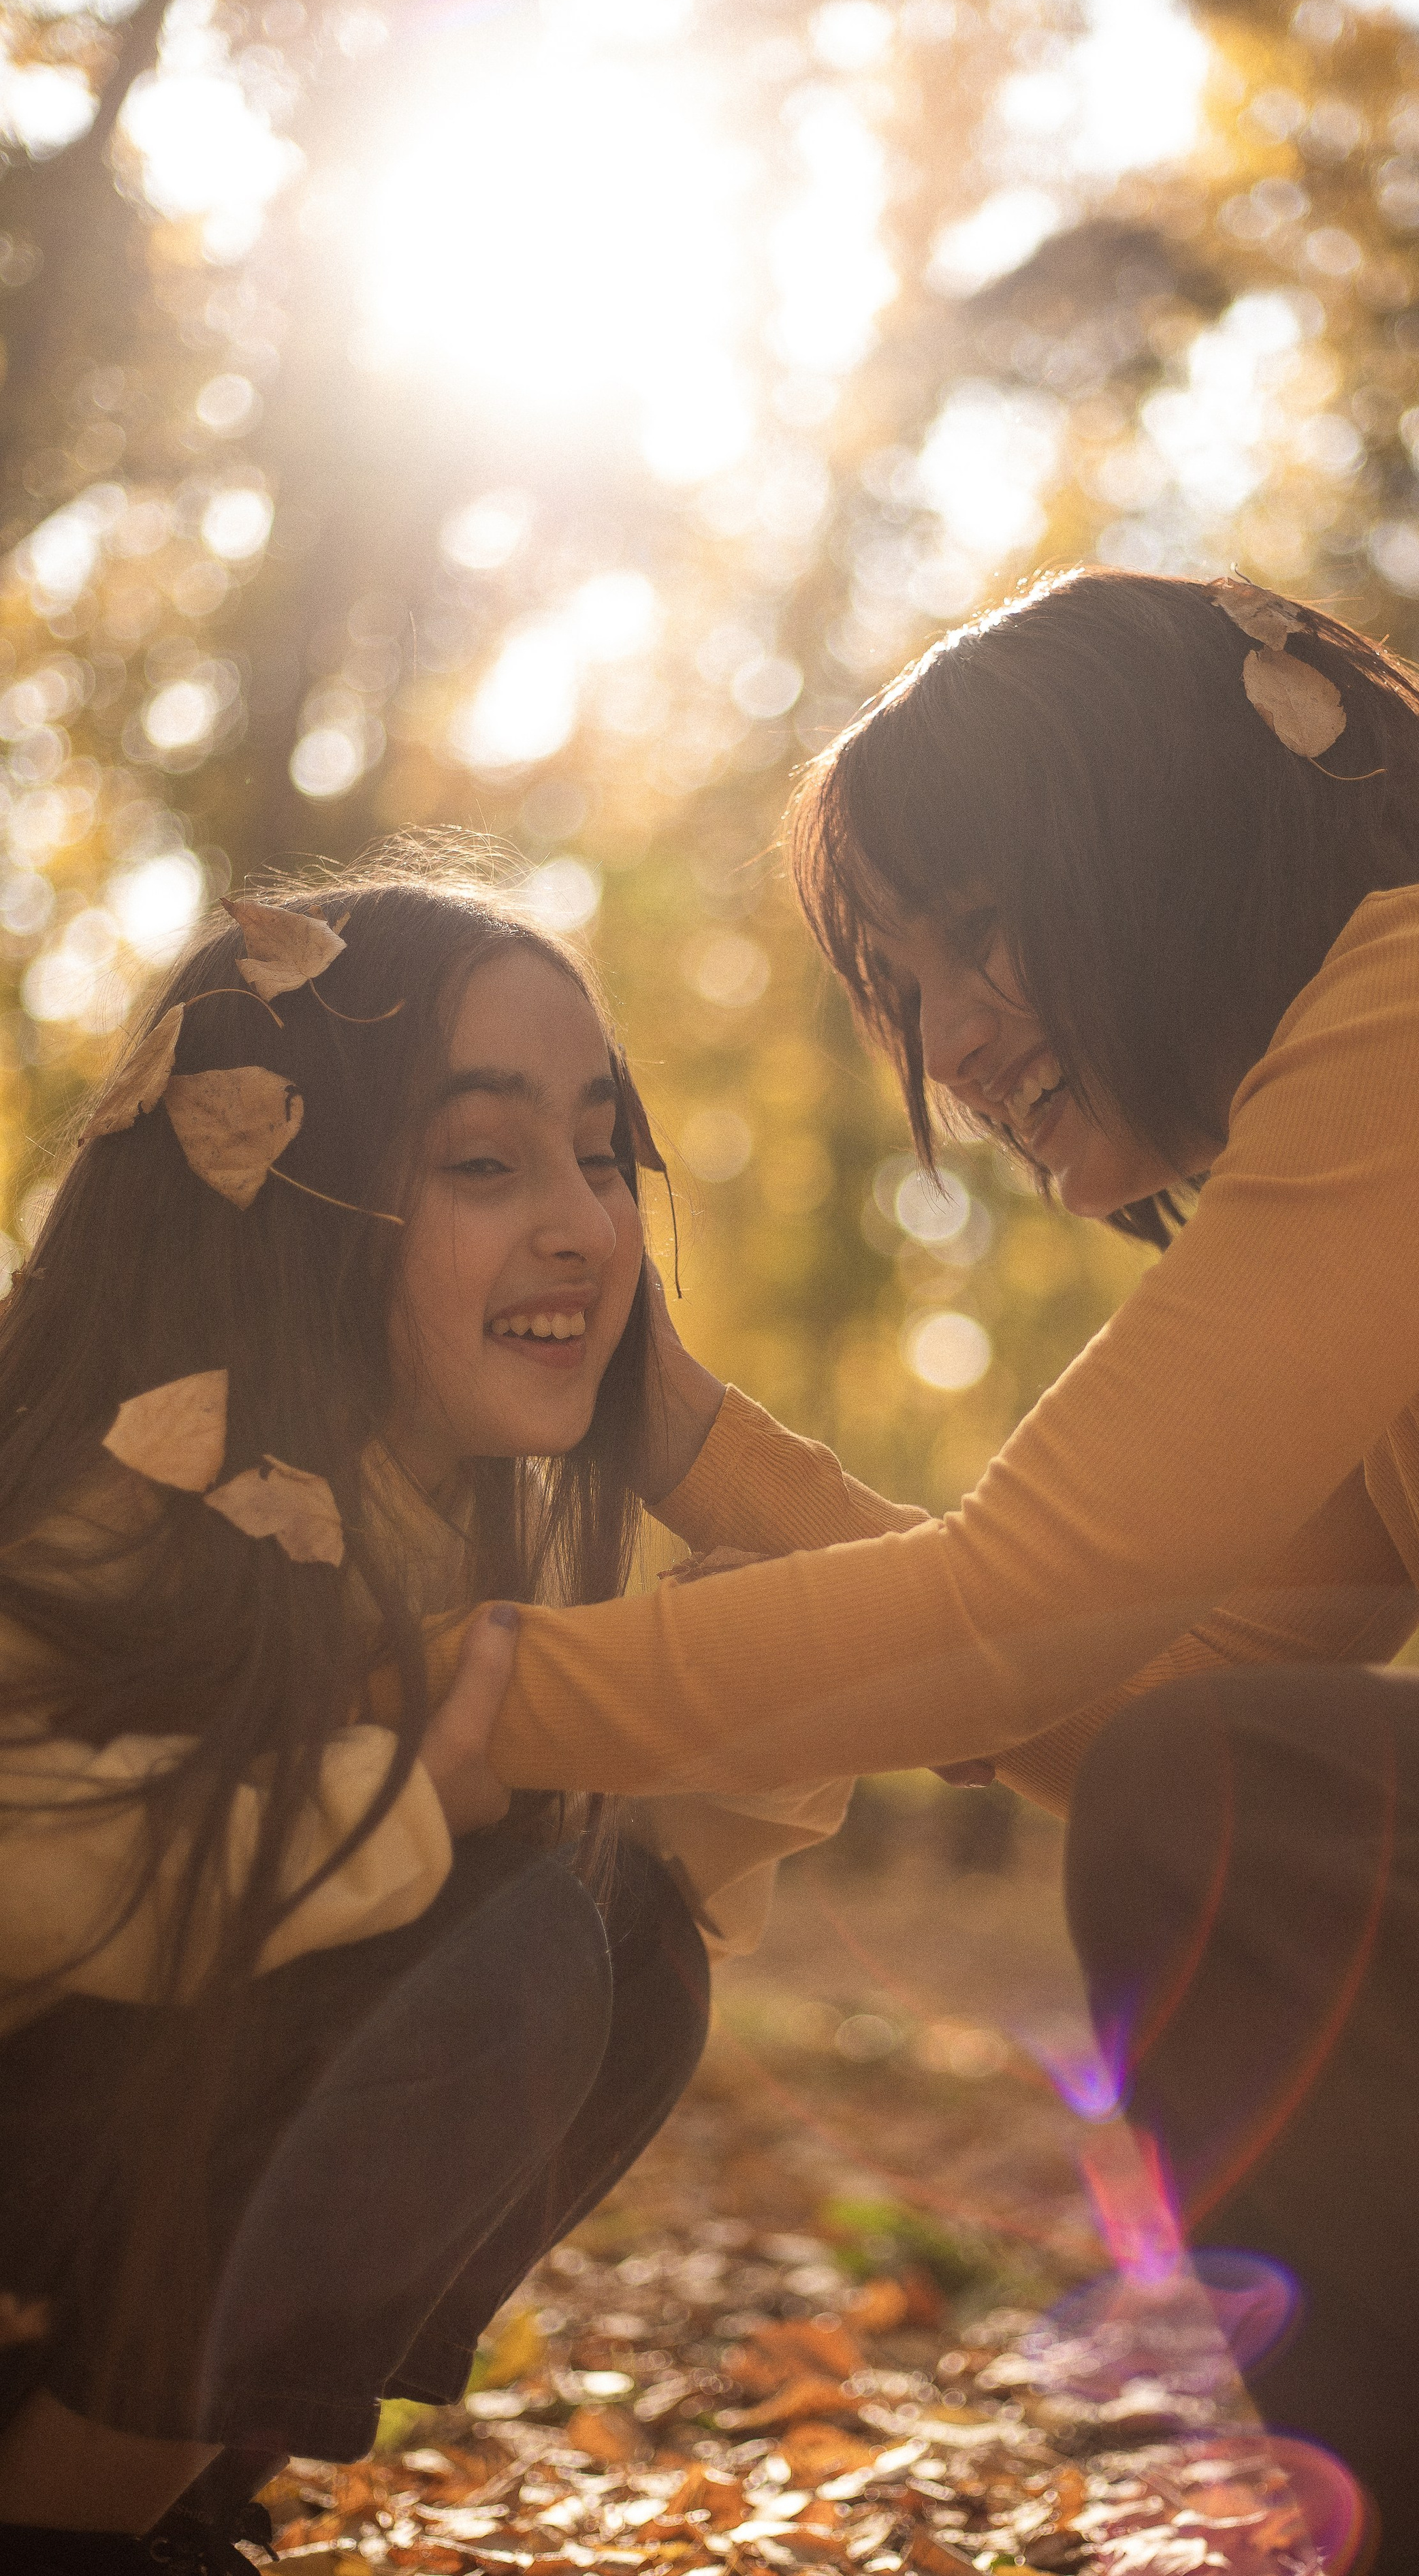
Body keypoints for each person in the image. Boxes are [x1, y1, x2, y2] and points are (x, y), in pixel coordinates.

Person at [421, 572, 1419, 2574]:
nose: (947, 1039)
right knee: (1237, 1797)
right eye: (903, 981)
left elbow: (1023, 1616)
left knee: (1254, 1810)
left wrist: (437, 1692)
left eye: (979, 932)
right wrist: (687, 1441)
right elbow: (1121, 1686)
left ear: (1168, 841)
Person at [0, 865, 849, 2572]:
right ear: (284, 1199)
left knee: (615, 1935)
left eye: (599, 1155)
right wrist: (395, 1805)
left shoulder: (423, 1516)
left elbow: (917, 1636)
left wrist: (685, 1452)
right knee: (500, 1948)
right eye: (483, 1161)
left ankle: (162, 2504)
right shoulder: (105, 1492)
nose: (587, 1223)